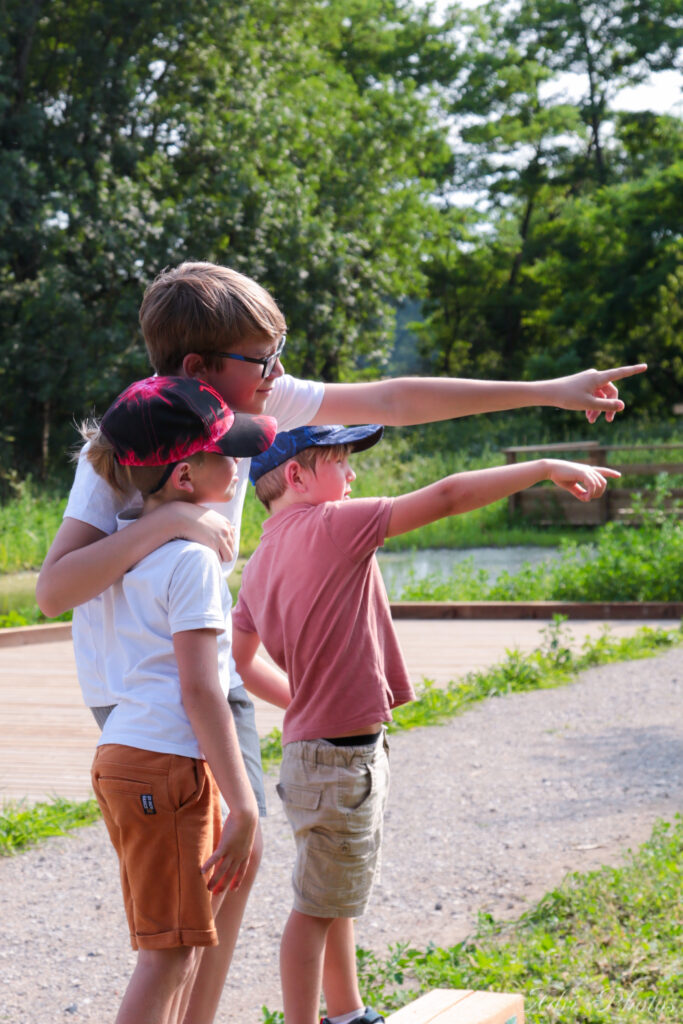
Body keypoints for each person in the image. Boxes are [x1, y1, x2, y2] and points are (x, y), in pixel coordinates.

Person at [35, 260, 646, 1021]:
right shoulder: (136, 443)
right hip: (141, 697)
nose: (280, 371)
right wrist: (165, 521)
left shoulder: (254, 402)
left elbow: (395, 397)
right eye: (264, 357)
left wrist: (550, 388)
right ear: (202, 367)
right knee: (183, 914)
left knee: (239, 863)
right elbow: (54, 590)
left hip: (208, 669)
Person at [230, 423, 622, 1024]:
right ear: (298, 476)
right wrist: (542, 465)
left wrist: (303, 701)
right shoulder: (336, 524)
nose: (354, 476)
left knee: (332, 895)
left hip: (315, 748)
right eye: (342, 462)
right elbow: (446, 497)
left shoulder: (260, 561)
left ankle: (347, 1011)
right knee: (314, 909)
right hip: (341, 757)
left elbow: (238, 659)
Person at [84, 375, 277, 1024]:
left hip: (129, 756)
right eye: (228, 454)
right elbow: (200, 688)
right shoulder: (191, 560)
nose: (240, 464)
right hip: (164, 764)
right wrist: (244, 803)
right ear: (188, 476)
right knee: (167, 957)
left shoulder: (130, 547)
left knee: (178, 947)